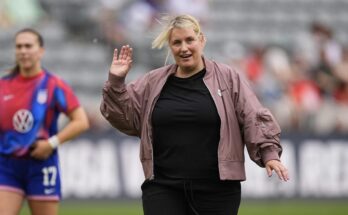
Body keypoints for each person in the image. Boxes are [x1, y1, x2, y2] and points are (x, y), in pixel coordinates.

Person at [100, 14, 289, 215]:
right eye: (177, 42)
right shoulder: (152, 82)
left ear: (202, 40)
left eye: (189, 40)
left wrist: (269, 153)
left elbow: (253, 115)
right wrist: (116, 83)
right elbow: (122, 116)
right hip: (163, 188)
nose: (184, 48)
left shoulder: (228, 78)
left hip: (218, 190)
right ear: (170, 47)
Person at [0, 28, 89, 215]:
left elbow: (81, 121)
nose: (23, 50)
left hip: (41, 166)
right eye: (19, 46)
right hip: (7, 165)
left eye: (28, 46)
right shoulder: (3, 85)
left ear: (41, 51)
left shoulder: (54, 85)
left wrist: (51, 143)